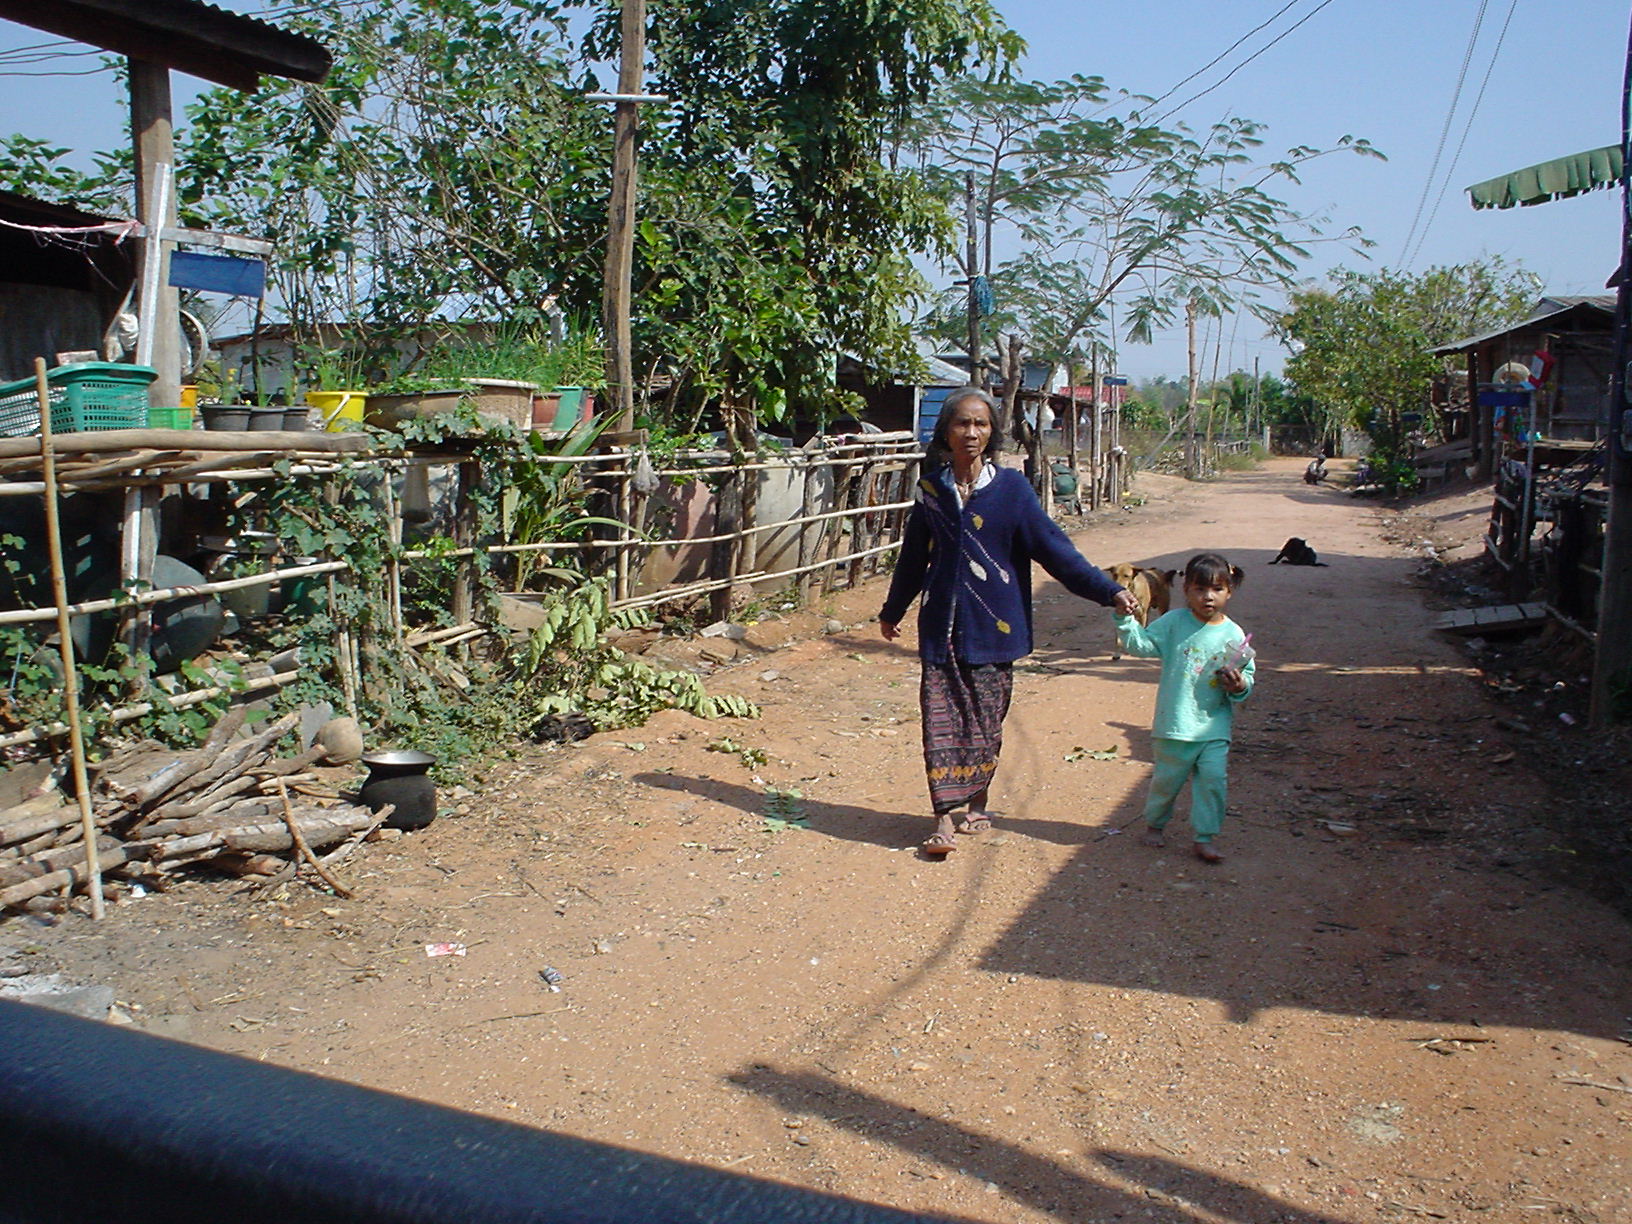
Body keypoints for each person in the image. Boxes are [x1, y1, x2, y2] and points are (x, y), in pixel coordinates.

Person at [880, 387, 1138, 857]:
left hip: (995, 628)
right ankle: (942, 818)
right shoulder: (931, 490)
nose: (971, 432)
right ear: (946, 432)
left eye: (980, 424)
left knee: (985, 722)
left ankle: (977, 801)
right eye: (962, 423)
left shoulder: (1013, 490)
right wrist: (893, 610)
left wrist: (1109, 590)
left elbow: (1057, 552)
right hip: (940, 627)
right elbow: (914, 557)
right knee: (939, 722)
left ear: (992, 432)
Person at [1115, 552, 1254, 863]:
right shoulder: (1174, 623)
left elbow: (1246, 679)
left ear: (1229, 591)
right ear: (1186, 590)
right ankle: (1155, 824)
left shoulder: (1234, 634)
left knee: (1213, 781)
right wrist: (1124, 620)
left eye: (1217, 589)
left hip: (1213, 727)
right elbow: (1142, 646)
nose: (1208, 597)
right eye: (1199, 589)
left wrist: (1239, 685)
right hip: (1175, 724)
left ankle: (1205, 837)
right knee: (1166, 782)